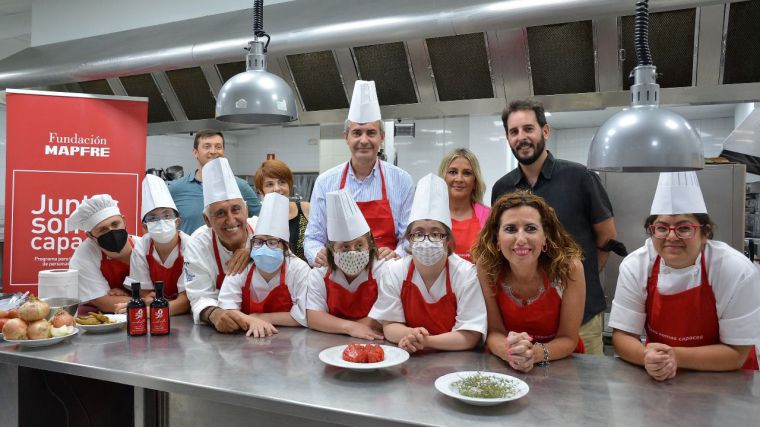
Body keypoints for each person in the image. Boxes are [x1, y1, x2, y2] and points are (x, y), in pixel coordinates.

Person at [490, 99, 618, 355]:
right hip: (524, 320)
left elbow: (607, 237)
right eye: (514, 132)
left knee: (581, 391)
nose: (521, 137)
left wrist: (576, 279)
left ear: (545, 131)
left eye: (528, 129)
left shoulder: (580, 177)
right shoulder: (502, 189)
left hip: (581, 315)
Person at [610, 172, 760, 380]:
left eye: (684, 228)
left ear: (705, 233)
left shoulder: (735, 270)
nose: (671, 236)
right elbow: (623, 336)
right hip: (661, 379)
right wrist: (647, 356)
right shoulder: (636, 265)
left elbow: (736, 354)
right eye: (661, 228)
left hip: (728, 382)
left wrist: (674, 356)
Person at [369, 174, 487, 353]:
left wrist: (425, 341)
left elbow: (470, 335)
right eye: (418, 233)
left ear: (448, 239)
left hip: (457, 365)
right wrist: (410, 335)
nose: (426, 240)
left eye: (435, 233)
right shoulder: (394, 271)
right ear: (409, 239)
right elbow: (390, 325)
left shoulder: (466, 274)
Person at [471, 192, 585, 372]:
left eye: (531, 228)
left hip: (560, 366)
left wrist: (534, 354)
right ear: (497, 239)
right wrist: (510, 352)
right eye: (510, 229)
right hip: (506, 366)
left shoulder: (569, 268)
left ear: (545, 236)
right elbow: (495, 332)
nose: (521, 239)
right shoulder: (486, 268)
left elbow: (568, 339)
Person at [304, 80, 414, 267]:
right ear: (346, 137)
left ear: (382, 137)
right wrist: (317, 254)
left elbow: (409, 238)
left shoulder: (402, 180)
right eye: (357, 133)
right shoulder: (325, 182)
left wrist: (397, 254)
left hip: (386, 277)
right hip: (339, 277)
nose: (364, 140)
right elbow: (313, 238)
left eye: (371, 133)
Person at [217, 193, 310, 337]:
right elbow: (226, 308)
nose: (264, 247)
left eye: (272, 242)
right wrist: (251, 321)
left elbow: (304, 314)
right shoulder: (242, 267)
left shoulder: (298, 269)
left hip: (290, 341)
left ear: (285, 247)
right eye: (259, 242)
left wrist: (264, 318)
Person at [183, 158, 258, 333]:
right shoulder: (198, 244)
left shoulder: (264, 232)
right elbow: (199, 296)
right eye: (220, 213)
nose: (231, 220)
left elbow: (289, 258)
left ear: (246, 210)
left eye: (236, 209)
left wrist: (255, 249)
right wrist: (214, 313)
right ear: (207, 220)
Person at [306, 189, 385, 340]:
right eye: (345, 247)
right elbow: (314, 317)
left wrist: (334, 325)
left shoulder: (383, 270)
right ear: (332, 249)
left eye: (360, 245)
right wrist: (350, 327)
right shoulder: (319, 274)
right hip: (329, 344)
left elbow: (385, 316)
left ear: (370, 245)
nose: (353, 252)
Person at [116, 175, 190, 316]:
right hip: (163, 315)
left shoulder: (190, 246)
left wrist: (150, 311)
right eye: (153, 218)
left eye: (167, 215)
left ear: (177, 221)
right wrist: (148, 301)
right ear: (145, 227)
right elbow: (145, 293)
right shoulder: (142, 247)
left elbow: (186, 301)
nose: (161, 221)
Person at [169, 129, 261, 234]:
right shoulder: (175, 189)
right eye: (207, 146)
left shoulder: (241, 186)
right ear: (195, 152)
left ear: (223, 151)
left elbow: (260, 221)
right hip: (190, 250)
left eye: (218, 147)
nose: (213, 151)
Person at [66, 194, 141, 313]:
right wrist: (145, 302)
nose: (112, 232)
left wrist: (128, 297)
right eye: (102, 229)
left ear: (124, 221)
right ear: (90, 236)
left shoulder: (144, 247)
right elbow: (104, 302)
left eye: (115, 224)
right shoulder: (83, 256)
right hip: (99, 319)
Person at [437, 148, 490, 263]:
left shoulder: (489, 217)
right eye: (453, 172)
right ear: (443, 178)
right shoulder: (431, 216)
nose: (459, 179)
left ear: (475, 182)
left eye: (467, 173)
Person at [253, 159, 310, 262]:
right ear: (261, 191)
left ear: (289, 185)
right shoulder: (257, 222)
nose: (277, 188)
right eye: (270, 184)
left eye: (282, 182)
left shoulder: (306, 209)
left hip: (308, 275)